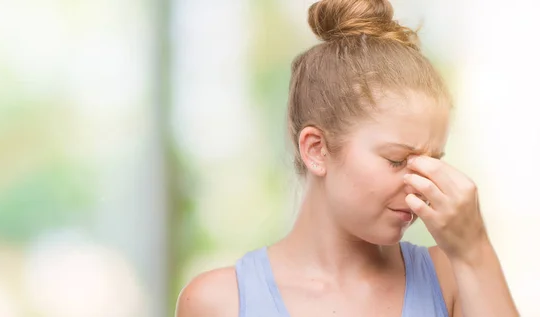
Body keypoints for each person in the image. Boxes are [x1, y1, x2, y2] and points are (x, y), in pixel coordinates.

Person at [175, 0, 519, 316]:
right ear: (316, 150)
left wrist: (474, 251)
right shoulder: (220, 301)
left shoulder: (451, 279)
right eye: (397, 160)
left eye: (433, 162)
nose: (421, 187)